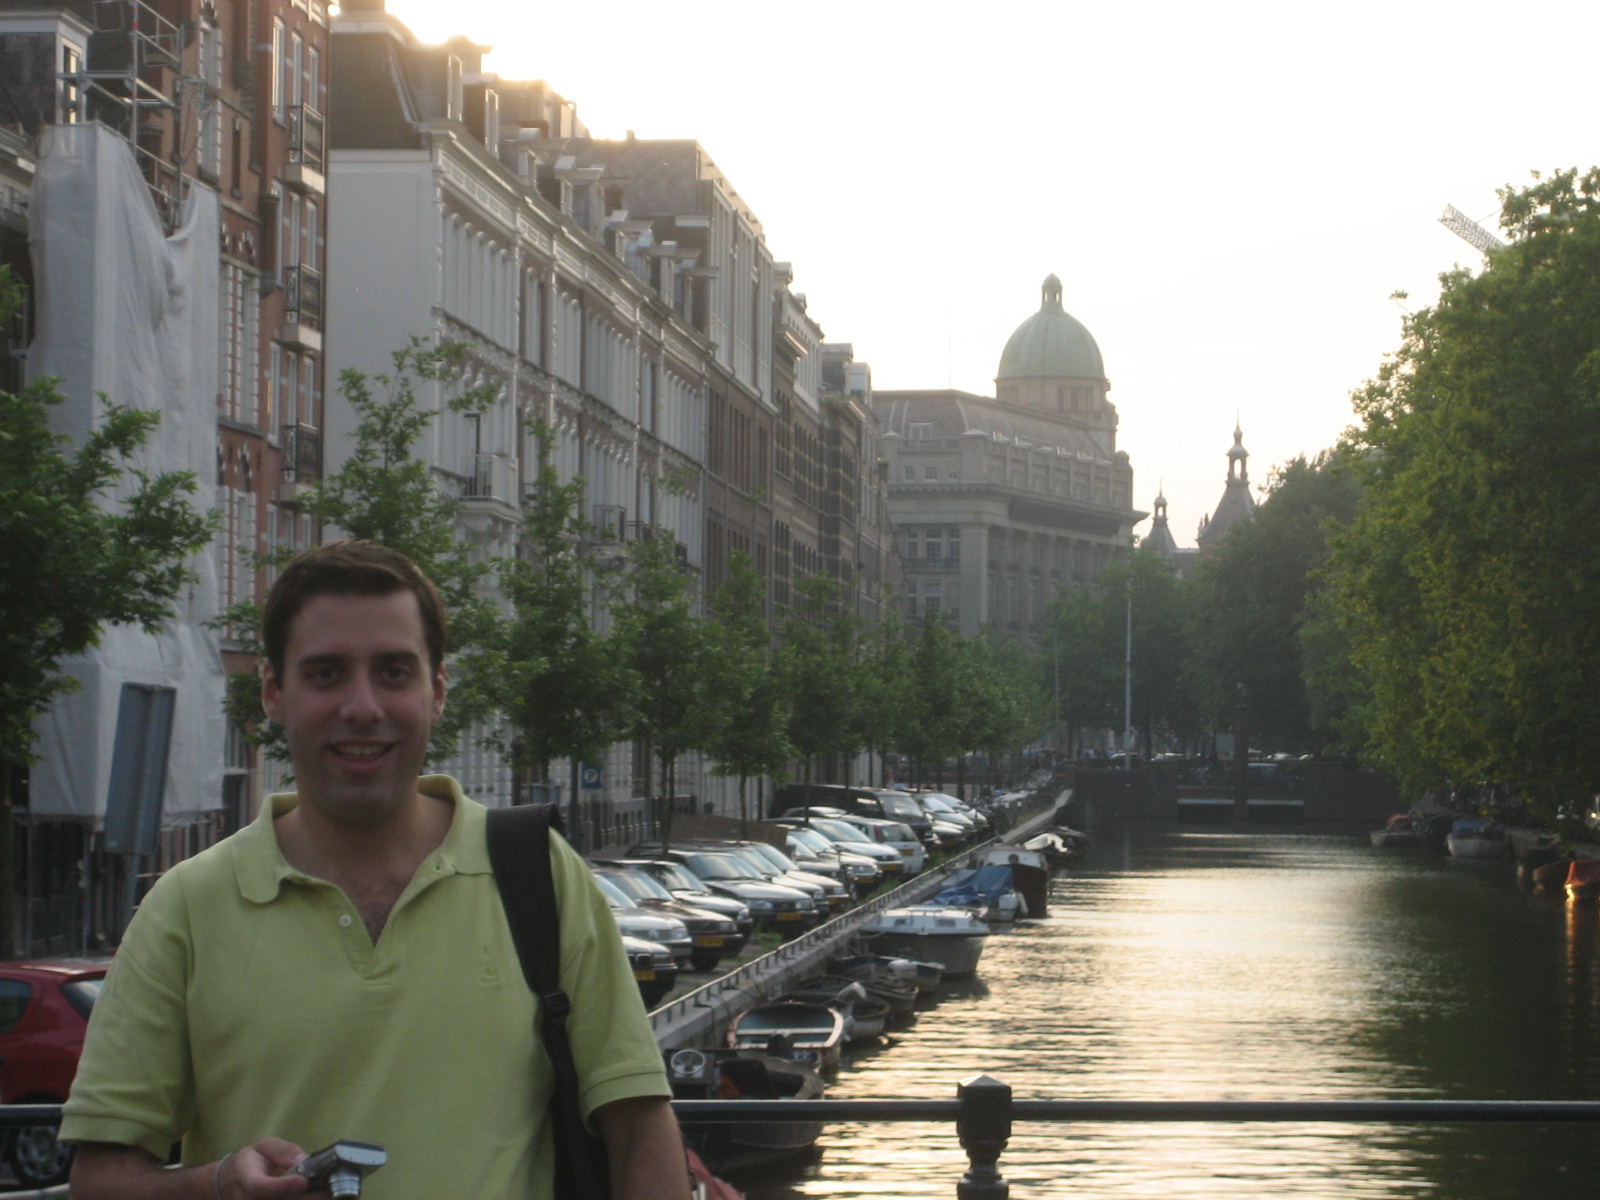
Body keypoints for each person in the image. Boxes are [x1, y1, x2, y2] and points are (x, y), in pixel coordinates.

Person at [62, 540, 689, 1200]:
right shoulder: (187, 908)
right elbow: (99, 1181)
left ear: (437, 691)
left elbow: (638, 1128)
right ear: (273, 692)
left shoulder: (539, 875)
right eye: (326, 674)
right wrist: (218, 1185)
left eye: (393, 672)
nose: (362, 706)